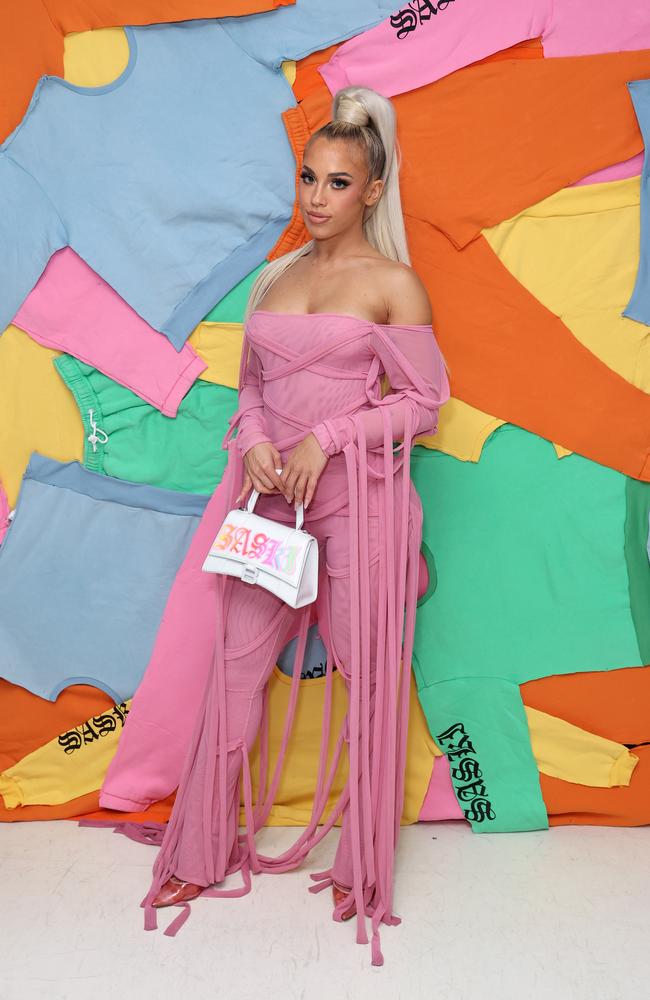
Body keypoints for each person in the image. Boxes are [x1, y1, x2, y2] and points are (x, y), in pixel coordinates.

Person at [142, 84, 450, 967]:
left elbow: (425, 405)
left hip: (362, 512)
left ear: (373, 190)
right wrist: (254, 438)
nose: (316, 198)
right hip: (271, 512)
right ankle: (197, 852)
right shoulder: (276, 278)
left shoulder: (394, 285)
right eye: (308, 178)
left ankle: (362, 868)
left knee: (370, 684)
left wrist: (332, 435)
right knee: (231, 683)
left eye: (337, 182)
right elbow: (248, 389)